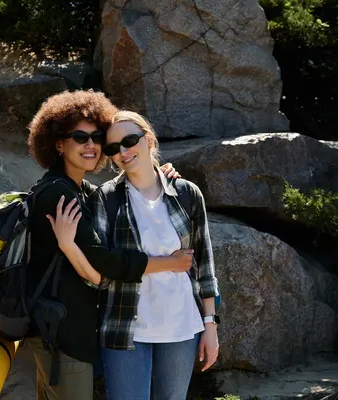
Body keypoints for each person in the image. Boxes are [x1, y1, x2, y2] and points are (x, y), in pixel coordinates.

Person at [24, 90, 194, 400]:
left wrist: (163, 174)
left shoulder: (83, 190)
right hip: (62, 332)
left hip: (73, 328)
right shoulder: (57, 194)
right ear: (58, 143)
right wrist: (167, 263)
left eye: (96, 138)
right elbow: (103, 262)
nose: (90, 145)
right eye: (79, 137)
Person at [49, 110, 220, 400]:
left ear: (149, 139)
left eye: (130, 140)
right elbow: (101, 271)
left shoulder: (186, 193)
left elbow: (204, 266)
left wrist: (210, 324)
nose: (123, 152)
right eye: (114, 148)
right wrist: (69, 246)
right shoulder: (106, 197)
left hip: (181, 329)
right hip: (123, 329)